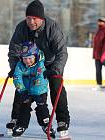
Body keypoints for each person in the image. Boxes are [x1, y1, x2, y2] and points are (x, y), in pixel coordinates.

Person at [7, 0, 70, 138]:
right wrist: (15, 68)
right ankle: (17, 119)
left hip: (49, 64)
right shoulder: (21, 28)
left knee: (56, 87)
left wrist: (55, 70)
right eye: (28, 18)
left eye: (34, 19)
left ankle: (62, 121)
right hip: (28, 65)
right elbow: (14, 51)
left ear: (41, 18)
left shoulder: (52, 28)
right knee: (21, 87)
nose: (31, 22)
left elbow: (62, 52)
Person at [10, 41, 55, 138]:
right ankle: (21, 125)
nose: (27, 61)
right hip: (26, 90)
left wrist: (35, 94)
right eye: (25, 58)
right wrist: (22, 91)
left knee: (41, 107)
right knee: (24, 107)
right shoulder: (20, 65)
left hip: (39, 91)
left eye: (30, 58)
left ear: (36, 56)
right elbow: (17, 77)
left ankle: (46, 124)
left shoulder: (40, 65)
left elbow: (40, 81)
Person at [92, 17, 105, 91]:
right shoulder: (99, 30)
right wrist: (95, 54)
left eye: (100, 21)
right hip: (97, 55)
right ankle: (99, 85)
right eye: (98, 21)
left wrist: (103, 55)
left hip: (104, 56)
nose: (99, 23)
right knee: (98, 70)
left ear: (104, 22)